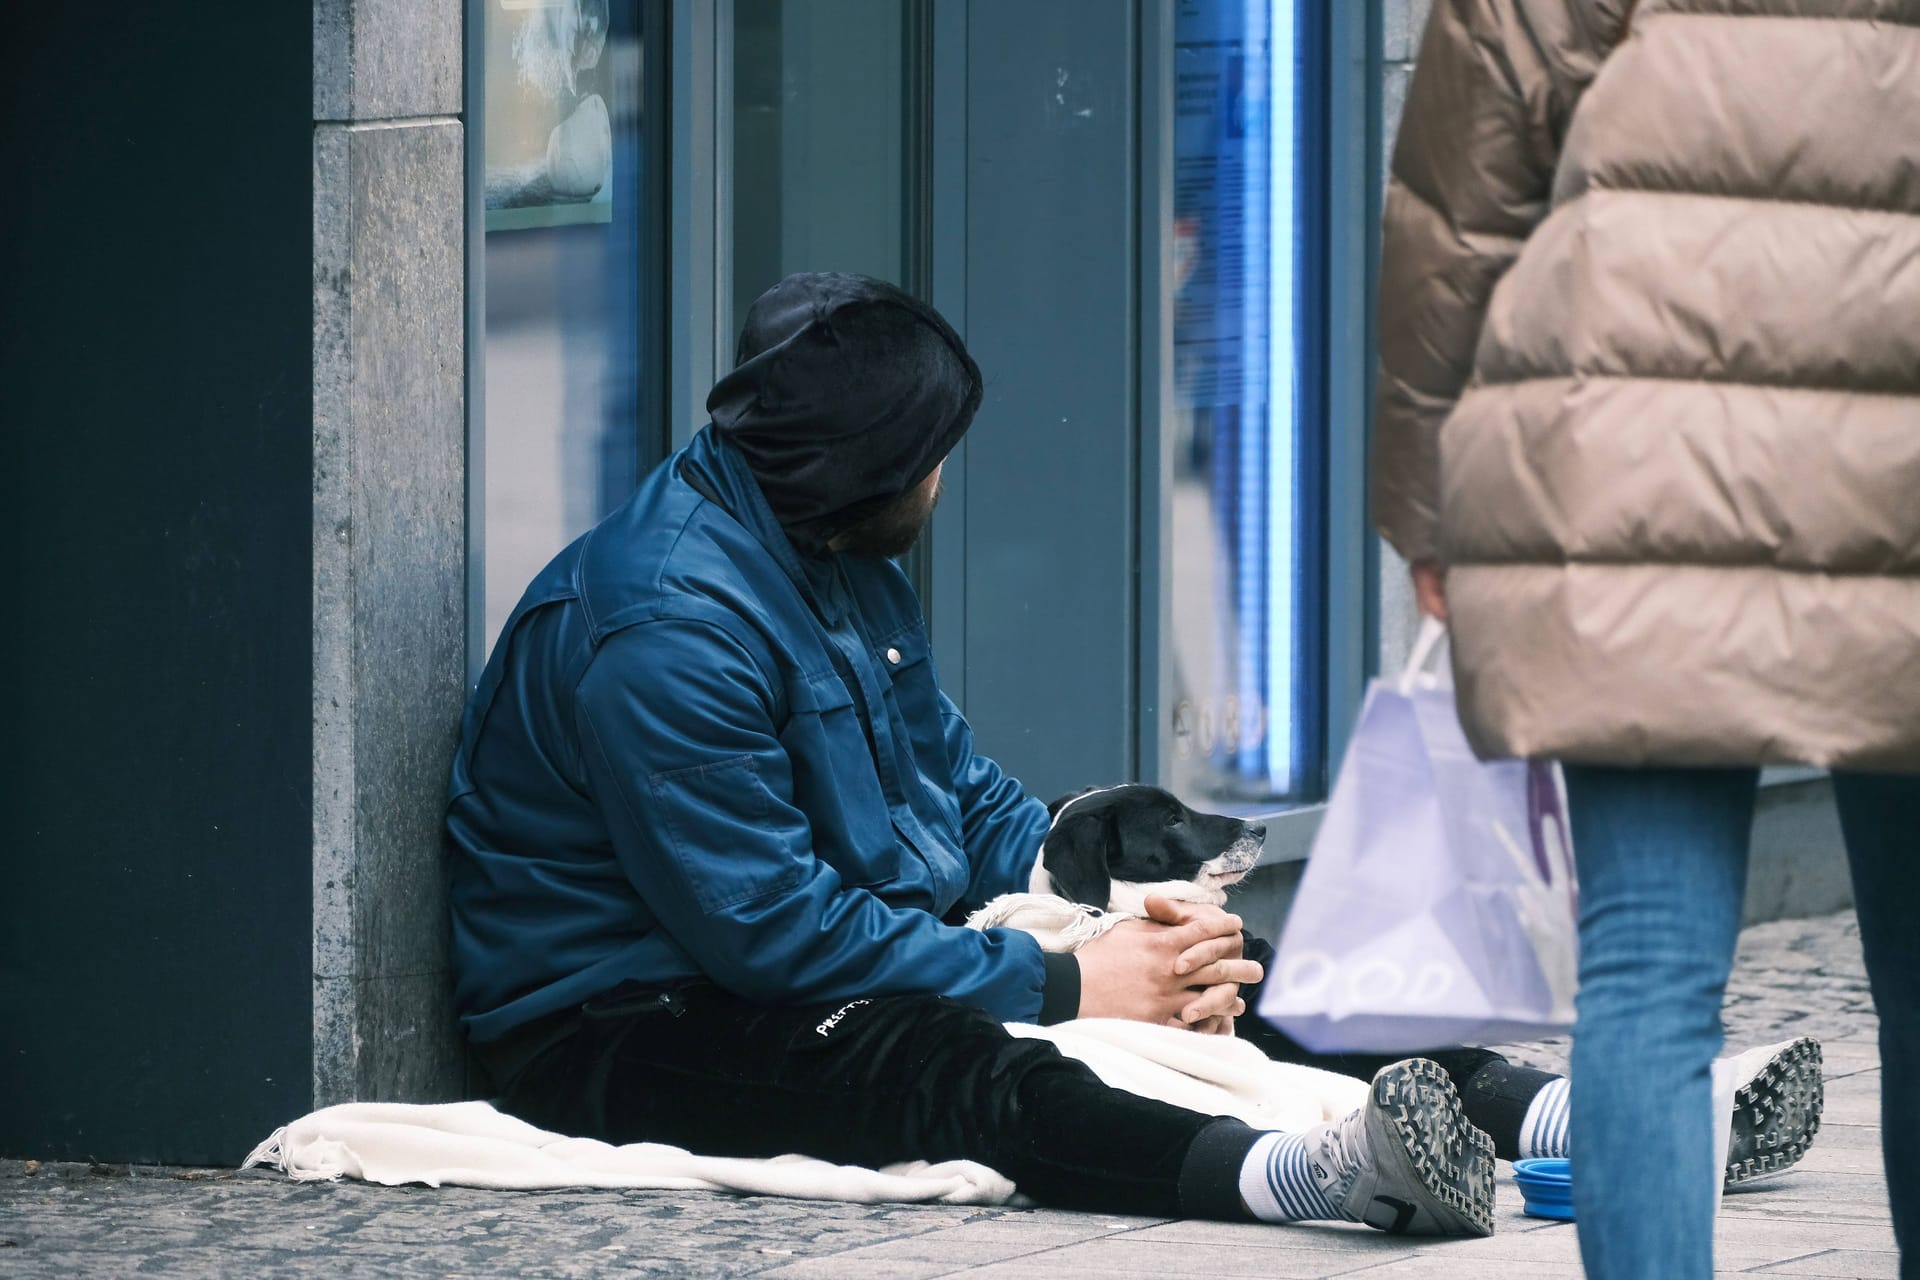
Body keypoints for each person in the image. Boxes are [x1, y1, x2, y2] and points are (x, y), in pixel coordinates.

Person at [447, 271, 1497, 1236]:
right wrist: (1069, 981)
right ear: (875, 470)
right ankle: (1305, 1175)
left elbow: (949, 784)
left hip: (796, 949)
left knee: (1212, 965)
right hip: (623, 1022)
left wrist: (1101, 908)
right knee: (940, 1063)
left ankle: (1529, 1108)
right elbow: (770, 935)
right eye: (933, 453)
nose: (944, 476)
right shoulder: (663, 633)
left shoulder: (829, 543)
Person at [1370, 0, 1919, 1275]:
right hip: (1894, 471)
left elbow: (1456, 216)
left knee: (1650, 977)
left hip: (1634, 475)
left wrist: (1427, 509)